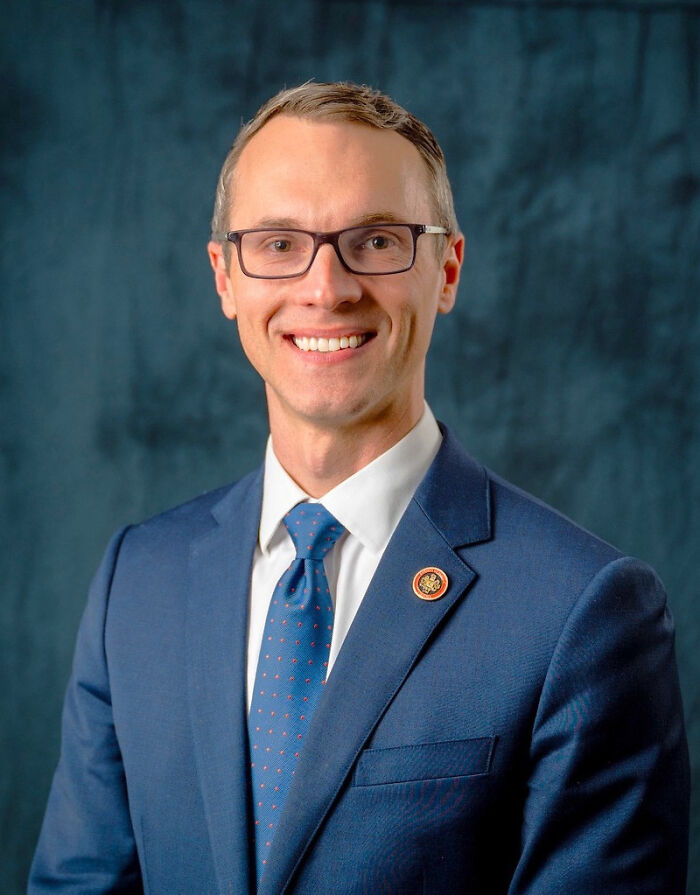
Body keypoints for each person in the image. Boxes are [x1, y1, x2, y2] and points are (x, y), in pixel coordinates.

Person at [29, 82, 689, 895]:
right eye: (278, 243)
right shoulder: (139, 578)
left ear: (446, 270)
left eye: (376, 240)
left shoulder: (582, 612)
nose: (327, 287)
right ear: (226, 276)